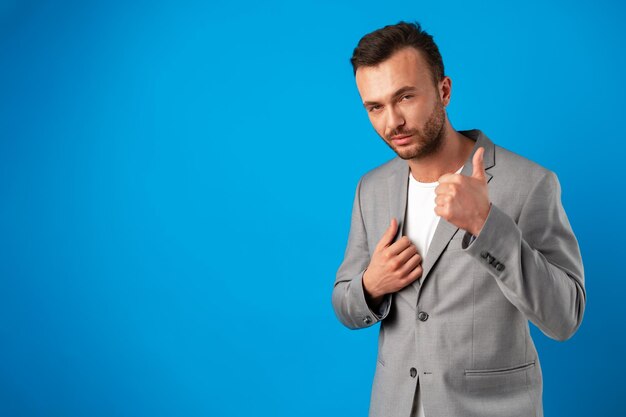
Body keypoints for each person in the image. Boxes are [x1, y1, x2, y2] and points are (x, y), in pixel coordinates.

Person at [331, 21, 585, 417]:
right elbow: (344, 302)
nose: (391, 121)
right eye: (375, 107)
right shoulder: (371, 188)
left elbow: (565, 316)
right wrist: (370, 286)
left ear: (444, 91)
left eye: (406, 97)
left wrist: (487, 226)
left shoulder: (530, 183)